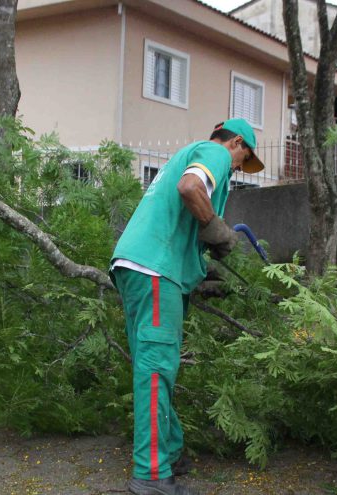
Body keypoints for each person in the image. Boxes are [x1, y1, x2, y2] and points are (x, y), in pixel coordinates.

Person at [111, 118, 264, 495]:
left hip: (138, 267)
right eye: (244, 160)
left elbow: (178, 226)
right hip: (154, 271)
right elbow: (191, 188)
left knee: (153, 365)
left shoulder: (181, 157)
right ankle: (150, 475)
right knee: (156, 369)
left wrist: (199, 271)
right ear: (237, 143)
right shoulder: (213, 152)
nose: (240, 169)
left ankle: (171, 450)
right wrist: (216, 229)